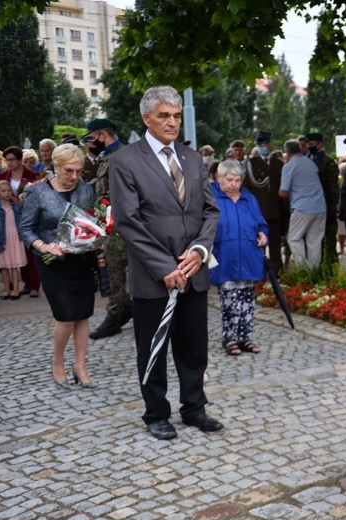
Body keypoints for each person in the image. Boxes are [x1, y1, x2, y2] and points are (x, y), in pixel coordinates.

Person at [110, 85, 223, 441]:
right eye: (164, 116)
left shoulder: (192, 159)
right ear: (147, 118)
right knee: (153, 348)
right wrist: (165, 267)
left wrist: (199, 252)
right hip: (153, 275)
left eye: (176, 115)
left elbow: (210, 211)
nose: (172, 122)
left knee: (193, 347)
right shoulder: (126, 160)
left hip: (193, 271)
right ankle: (156, 413)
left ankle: (194, 407)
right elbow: (129, 221)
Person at [18, 144, 97, 387]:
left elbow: (91, 220)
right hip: (52, 263)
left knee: (83, 315)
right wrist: (43, 247)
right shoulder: (38, 192)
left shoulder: (85, 190)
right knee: (65, 316)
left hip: (81, 261)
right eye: (69, 171)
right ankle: (58, 362)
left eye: (79, 171)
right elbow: (26, 229)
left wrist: (97, 237)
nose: (74, 176)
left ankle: (80, 365)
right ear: (55, 166)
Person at [210, 160, 269, 356]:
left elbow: (261, 223)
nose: (234, 184)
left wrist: (263, 233)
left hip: (248, 255)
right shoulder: (211, 197)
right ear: (219, 178)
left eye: (237, 180)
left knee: (247, 300)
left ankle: (244, 337)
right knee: (229, 300)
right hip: (225, 255)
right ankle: (230, 338)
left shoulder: (248, 198)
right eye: (229, 180)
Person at [86, 118, 132, 340]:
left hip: (121, 226)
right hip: (109, 223)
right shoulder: (108, 157)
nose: (90, 143)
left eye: (92, 138)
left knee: (115, 274)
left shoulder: (122, 156)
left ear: (102, 135)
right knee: (114, 273)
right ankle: (127, 310)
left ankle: (114, 319)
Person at [0, 146, 41, 297]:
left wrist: (24, 200)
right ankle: (26, 283)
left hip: (30, 216)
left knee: (31, 251)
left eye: (12, 160)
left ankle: (34, 285)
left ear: (20, 160)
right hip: (9, 220)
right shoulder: (2, 176)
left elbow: (40, 195)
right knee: (18, 252)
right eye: (6, 160)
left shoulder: (32, 175)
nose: (9, 163)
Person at [279, 138, 326, 269]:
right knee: (314, 241)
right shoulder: (310, 163)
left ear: (287, 152)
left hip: (302, 208)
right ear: (300, 149)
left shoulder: (289, 166)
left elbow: (283, 193)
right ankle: (314, 272)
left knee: (293, 239)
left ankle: (303, 271)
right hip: (320, 207)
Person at [242, 132, 285, 271]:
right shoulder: (251, 164)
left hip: (275, 210)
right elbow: (246, 187)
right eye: (259, 145)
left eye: (264, 144)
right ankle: (259, 271)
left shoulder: (279, 164)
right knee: (259, 244)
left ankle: (276, 271)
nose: (261, 147)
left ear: (269, 145)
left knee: (276, 245)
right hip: (258, 211)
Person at [305, 132, 340, 265]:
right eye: (308, 144)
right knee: (314, 242)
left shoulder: (328, 163)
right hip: (311, 208)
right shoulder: (307, 160)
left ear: (320, 144)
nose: (309, 147)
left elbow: (333, 189)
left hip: (326, 207)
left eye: (312, 144)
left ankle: (331, 271)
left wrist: (332, 209)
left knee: (329, 242)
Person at [0, 181, 25, 299]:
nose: (7, 193)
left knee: (15, 266)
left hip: (15, 237)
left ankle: (16, 289)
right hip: (2, 238)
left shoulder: (16, 206)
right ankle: (7, 289)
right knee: (3, 266)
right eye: (3, 191)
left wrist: (18, 203)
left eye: (9, 190)